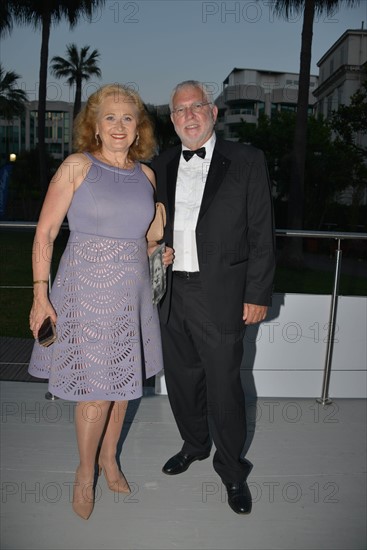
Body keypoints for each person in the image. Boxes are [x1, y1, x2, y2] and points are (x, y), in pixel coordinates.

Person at [28, 83, 173, 520]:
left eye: (128, 118)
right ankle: (85, 471)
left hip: (131, 293)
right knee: (96, 389)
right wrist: (40, 296)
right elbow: (45, 234)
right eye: (109, 117)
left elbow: (148, 238)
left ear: (138, 128)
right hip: (84, 290)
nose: (119, 125)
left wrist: (158, 251)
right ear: (94, 125)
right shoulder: (77, 166)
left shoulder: (145, 176)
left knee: (123, 384)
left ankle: (110, 458)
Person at [151, 80, 276, 515]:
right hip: (171, 291)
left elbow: (262, 233)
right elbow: (148, 226)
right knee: (182, 380)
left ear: (213, 112)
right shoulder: (161, 163)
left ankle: (232, 470)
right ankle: (194, 445)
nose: (189, 115)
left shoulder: (247, 160)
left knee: (224, 387)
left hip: (221, 293)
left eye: (196, 106)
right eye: (180, 110)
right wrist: (154, 250)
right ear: (172, 120)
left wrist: (257, 292)